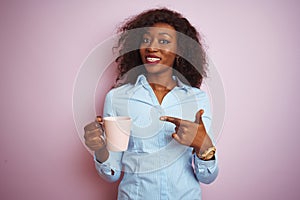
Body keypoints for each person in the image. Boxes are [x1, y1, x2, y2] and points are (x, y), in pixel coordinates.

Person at [84, 8, 218, 200]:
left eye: (163, 41)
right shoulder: (117, 98)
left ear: (180, 50)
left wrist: (202, 145)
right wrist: (100, 149)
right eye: (146, 40)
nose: (151, 47)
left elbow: (208, 176)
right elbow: (110, 173)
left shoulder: (197, 99)